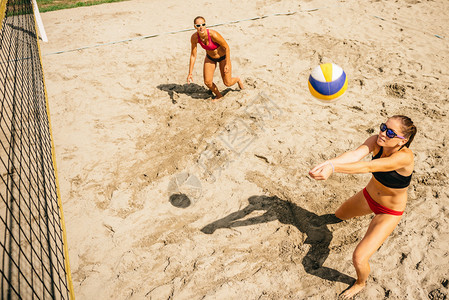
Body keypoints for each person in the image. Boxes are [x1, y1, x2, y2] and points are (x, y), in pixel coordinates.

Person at [309, 115, 417, 299]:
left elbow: (368, 167)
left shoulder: (404, 157)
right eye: (383, 127)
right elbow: (354, 155)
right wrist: (329, 163)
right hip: (367, 197)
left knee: (359, 258)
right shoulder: (377, 141)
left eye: (391, 132)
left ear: (403, 140)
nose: (383, 133)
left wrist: (333, 169)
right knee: (339, 214)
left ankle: (360, 283)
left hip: (389, 212)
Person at [187, 16, 243, 101]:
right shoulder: (194, 37)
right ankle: (219, 95)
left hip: (223, 58)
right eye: (198, 26)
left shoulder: (213, 35)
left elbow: (227, 47)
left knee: (227, 83)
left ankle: (238, 79)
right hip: (210, 58)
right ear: (195, 26)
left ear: (205, 25)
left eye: (203, 24)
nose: (201, 27)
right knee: (207, 82)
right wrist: (190, 73)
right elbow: (193, 55)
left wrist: (227, 63)